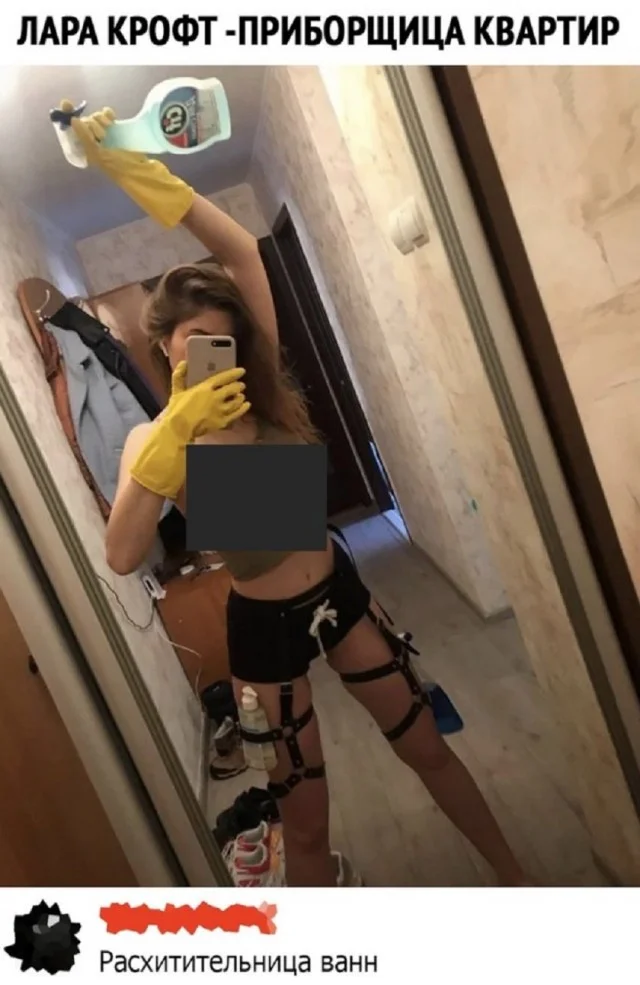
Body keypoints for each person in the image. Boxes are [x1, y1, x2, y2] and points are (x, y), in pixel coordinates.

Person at [69, 103, 533, 888]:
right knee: (307, 822)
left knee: (427, 747)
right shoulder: (153, 441)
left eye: (223, 340)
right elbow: (119, 554)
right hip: (263, 628)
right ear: (162, 347)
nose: (215, 357)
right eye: (194, 345)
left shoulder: (256, 390)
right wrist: (177, 431)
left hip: (339, 589)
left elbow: (242, 251)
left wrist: (139, 172)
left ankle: (520, 883)